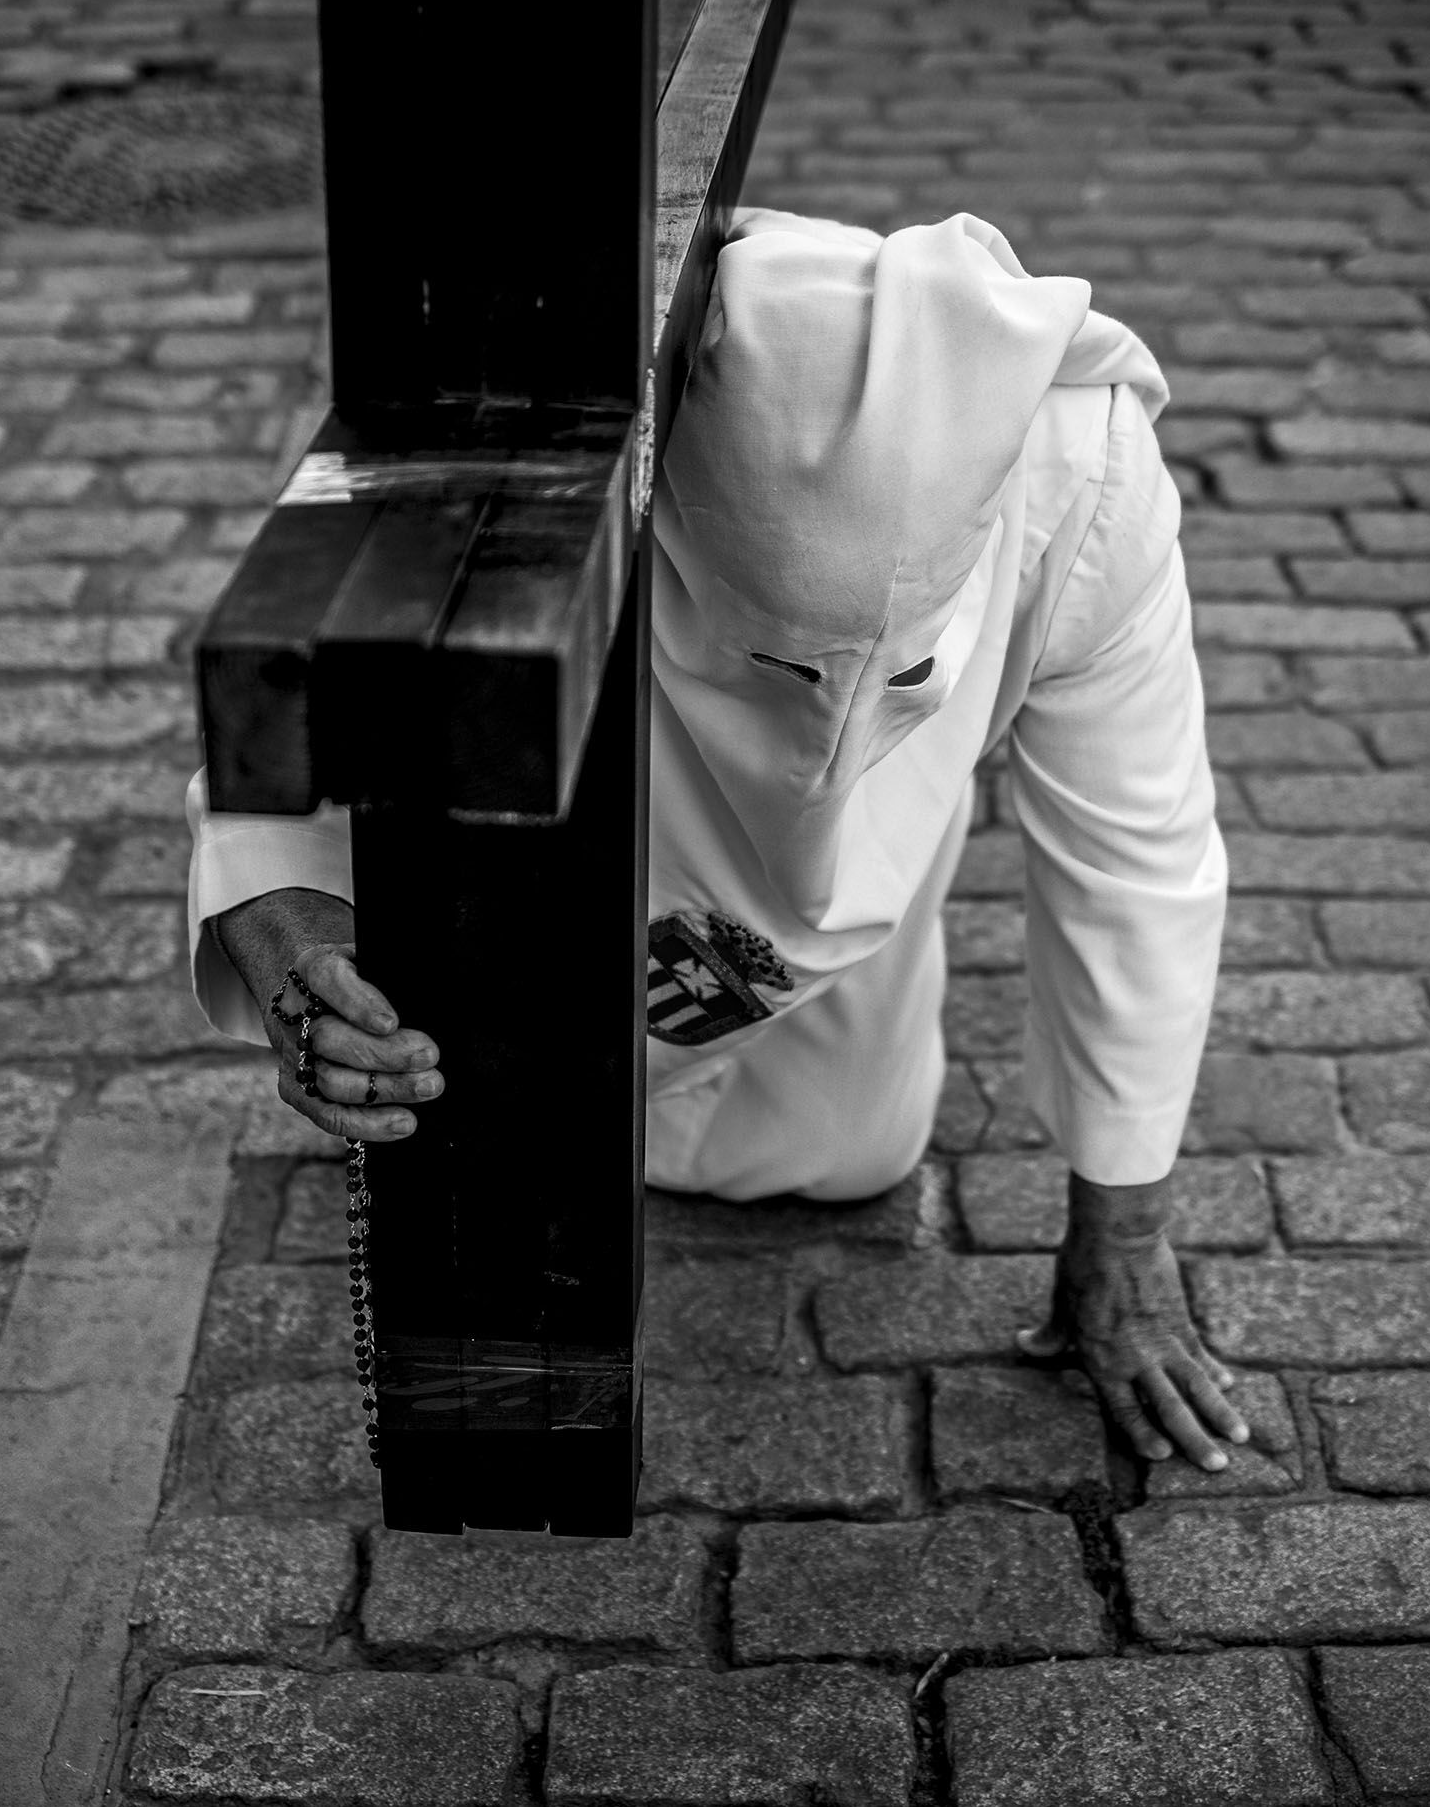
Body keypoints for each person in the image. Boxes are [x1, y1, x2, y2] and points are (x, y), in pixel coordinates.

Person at [185, 208, 1244, 1472]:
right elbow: (314, 671)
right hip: (598, 770)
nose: (828, 711)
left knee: (853, 1152)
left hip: (872, 861)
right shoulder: (543, 429)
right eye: (785, 664)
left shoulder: (1091, 477)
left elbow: (1141, 857)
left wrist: (1121, 1235)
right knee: (489, 1116)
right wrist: (287, 915)